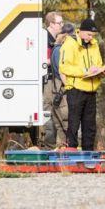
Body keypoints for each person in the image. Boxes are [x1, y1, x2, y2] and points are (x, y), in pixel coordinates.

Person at [59, 18, 105, 151]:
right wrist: (84, 72)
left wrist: (100, 71)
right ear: (80, 31)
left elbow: (96, 64)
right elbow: (64, 67)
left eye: (93, 35)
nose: (91, 38)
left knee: (90, 125)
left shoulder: (94, 44)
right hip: (76, 90)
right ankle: (71, 151)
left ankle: (88, 153)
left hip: (91, 90)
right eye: (89, 35)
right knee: (74, 124)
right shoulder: (70, 44)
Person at [43, 24, 74, 148]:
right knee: (65, 122)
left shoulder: (56, 49)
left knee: (58, 124)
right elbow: (61, 72)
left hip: (56, 89)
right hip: (62, 89)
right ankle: (68, 149)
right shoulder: (60, 50)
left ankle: (60, 149)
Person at [42, 12, 64, 147]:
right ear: (51, 24)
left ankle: (57, 144)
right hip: (48, 80)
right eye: (59, 23)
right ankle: (49, 145)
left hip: (55, 79)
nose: (62, 25)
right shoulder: (44, 38)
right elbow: (44, 61)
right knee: (49, 111)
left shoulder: (56, 38)